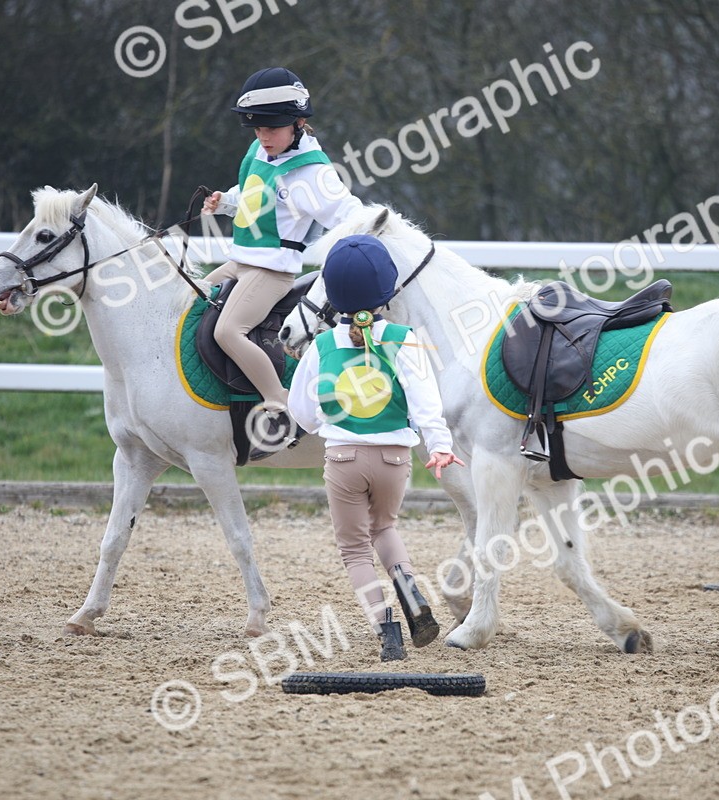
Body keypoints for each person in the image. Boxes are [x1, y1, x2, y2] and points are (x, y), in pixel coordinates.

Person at [288, 235, 466, 662]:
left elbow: (303, 412)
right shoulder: (406, 340)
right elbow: (426, 402)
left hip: (344, 459)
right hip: (395, 460)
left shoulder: (323, 345)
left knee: (354, 549)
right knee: (384, 529)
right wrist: (439, 445)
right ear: (389, 289)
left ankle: (386, 629)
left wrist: (328, 423)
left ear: (331, 294)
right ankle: (410, 587)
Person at [202, 66, 363, 456]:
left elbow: (352, 216)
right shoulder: (263, 152)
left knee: (228, 331)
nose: (263, 137)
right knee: (194, 297)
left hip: (273, 271)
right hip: (241, 261)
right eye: (257, 129)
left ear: (298, 124)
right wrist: (225, 202)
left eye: (271, 129)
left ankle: (281, 404)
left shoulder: (313, 173)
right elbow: (252, 194)